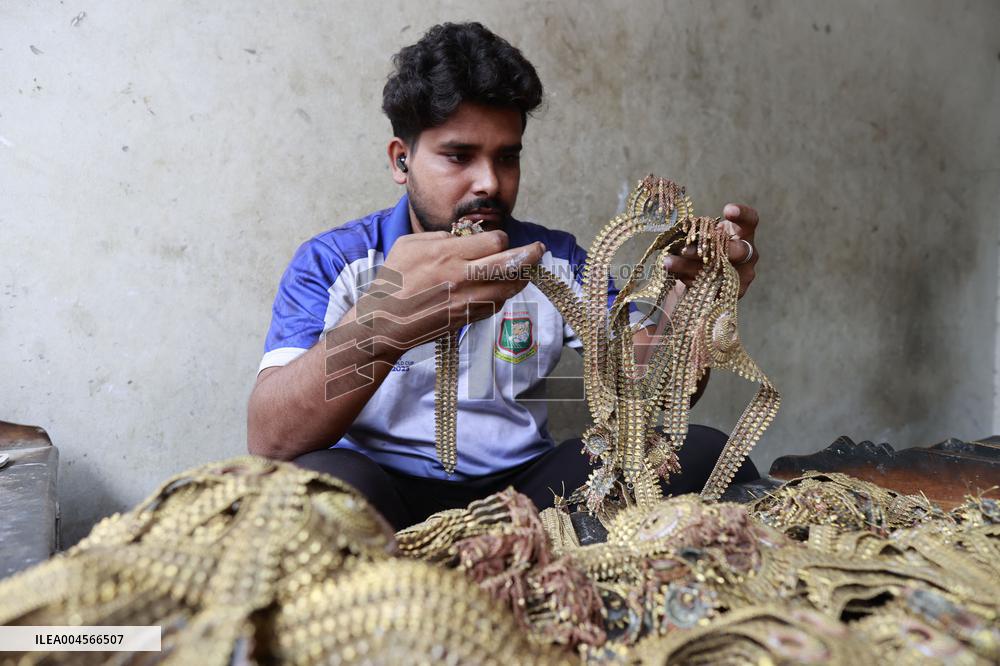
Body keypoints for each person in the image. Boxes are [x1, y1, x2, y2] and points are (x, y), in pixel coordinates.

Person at [247, 22, 762, 530]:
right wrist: (385, 323)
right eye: (458, 156)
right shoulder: (337, 261)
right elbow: (271, 439)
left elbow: (648, 388)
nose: (489, 183)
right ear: (402, 160)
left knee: (708, 454)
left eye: (507, 157)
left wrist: (695, 300)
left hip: (526, 498)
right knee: (311, 487)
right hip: (382, 490)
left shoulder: (556, 259)